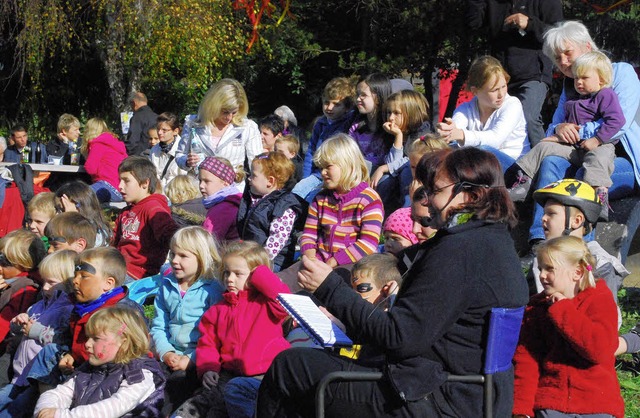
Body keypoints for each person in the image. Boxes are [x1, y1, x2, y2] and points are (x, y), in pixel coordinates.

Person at [257, 147, 529, 417]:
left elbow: (399, 338)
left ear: (471, 196)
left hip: (436, 397)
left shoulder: (461, 251)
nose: (429, 200)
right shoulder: (494, 241)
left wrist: (328, 287)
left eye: (436, 190)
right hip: (465, 392)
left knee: (289, 367)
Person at [525, 20, 640, 248]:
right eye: (557, 58)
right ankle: (540, 238)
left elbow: (619, 124)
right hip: (580, 154)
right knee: (550, 163)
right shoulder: (572, 87)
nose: (564, 62)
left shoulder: (621, 73)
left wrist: (575, 130)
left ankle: (582, 248)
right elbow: (552, 129)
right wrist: (559, 129)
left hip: (623, 161)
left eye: (567, 53)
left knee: (581, 178)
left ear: (587, 47)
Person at [173, 241, 290, 418]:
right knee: (207, 402)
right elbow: (208, 343)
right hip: (228, 374)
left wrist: (259, 272)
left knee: (241, 404)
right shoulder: (219, 309)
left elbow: (283, 299)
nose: (229, 279)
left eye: (238, 274)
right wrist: (208, 368)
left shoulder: (266, 303)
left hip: (264, 375)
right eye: (227, 272)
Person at [513, 236, 624, 418]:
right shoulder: (537, 308)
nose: (541, 275)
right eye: (541, 268)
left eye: (550, 269)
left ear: (577, 273)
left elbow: (599, 350)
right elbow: (526, 361)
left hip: (596, 403)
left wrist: (563, 309)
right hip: (551, 400)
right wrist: (521, 409)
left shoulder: (599, 299)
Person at [508, 51, 625, 217]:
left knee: (598, 160)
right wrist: (557, 135)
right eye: (576, 78)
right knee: (543, 146)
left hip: (599, 145)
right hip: (572, 148)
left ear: (602, 79)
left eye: (585, 78)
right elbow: (560, 125)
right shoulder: (572, 99)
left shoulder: (605, 95)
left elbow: (617, 120)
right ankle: (523, 182)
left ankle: (598, 196)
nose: (579, 82)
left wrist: (597, 139)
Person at [33, 306, 166, 417]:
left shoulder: (139, 373)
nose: (87, 344)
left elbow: (114, 407)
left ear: (123, 343)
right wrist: (45, 409)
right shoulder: (89, 369)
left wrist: (62, 416)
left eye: (96, 338)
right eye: (88, 337)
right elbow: (60, 393)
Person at [467, 0, 563, 147]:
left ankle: (543, 162)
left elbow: (558, 36)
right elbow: (473, 23)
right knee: (495, 120)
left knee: (528, 116)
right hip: (501, 75)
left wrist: (530, 24)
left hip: (534, 73)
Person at [150, 226, 223, 416]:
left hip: (196, 359)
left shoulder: (212, 290)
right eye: (173, 254)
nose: (174, 260)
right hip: (169, 353)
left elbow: (215, 336)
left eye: (183, 256)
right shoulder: (167, 286)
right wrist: (165, 351)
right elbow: (159, 325)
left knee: (177, 389)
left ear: (202, 258)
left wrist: (191, 359)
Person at [0, 250, 75, 416]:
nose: (45, 286)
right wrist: (18, 324)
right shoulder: (39, 305)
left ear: (69, 282)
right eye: (44, 280)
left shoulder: (68, 310)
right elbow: (19, 333)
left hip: (37, 380)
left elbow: (63, 341)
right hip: (19, 376)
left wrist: (37, 331)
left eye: (52, 282)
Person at [296, 133, 383, 273]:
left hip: (351, 267)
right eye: (321, 167)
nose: (323, 172)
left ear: (348, 165)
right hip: (318, 262)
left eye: (328, 167)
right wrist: (311, 259)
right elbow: (308, 234)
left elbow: (368, 244)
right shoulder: (320, 199)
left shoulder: (369, 200)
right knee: (284, 281)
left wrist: (334, 261)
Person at [436, 55, 530, 171]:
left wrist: (461, 135)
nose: (501, 94)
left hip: (514, 168)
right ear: (475, 91)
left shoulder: (512, 105)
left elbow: (495, 140)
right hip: (481, 165)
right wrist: (448, 131)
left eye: (504, 86)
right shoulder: (464, 109)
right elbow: (456, 128)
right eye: (494, 90)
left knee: (481, 152)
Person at [176, 79, 262, 179]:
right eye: (225, 112)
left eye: (234, 112)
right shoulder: (192, 123)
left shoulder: (248, 127)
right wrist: (187, 161)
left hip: (232, 189)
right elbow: (180, 154)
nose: (229, 117)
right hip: (200, 188)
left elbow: (257, 164)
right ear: (213, 106)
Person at [236, 152, 304, 272]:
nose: (249, 178)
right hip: (252, 255)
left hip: (272, 262)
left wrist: (262, 261)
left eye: (254, 175)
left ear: (270, 181)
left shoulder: (283, 206)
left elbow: (277, 238)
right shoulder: (254, 199)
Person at [114, 156, 178, 280]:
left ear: (145, 183)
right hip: (118, 267)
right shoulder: (125, 212)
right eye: (120, 180)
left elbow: (173, 236)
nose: (120, 186)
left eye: (126, 181)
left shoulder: (153, 208)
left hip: (138, 275)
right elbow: (114, 243)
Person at [292, 77, 356, 202]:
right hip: (317, 174)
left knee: (313, 199)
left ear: (347, 107)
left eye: (336, 104)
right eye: (326, 102)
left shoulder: (348, 123)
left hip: (335, 176)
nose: (329, 108)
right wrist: (306, 177)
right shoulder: (320, 123)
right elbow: (311, 151)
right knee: (297, 192)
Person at [373, 89, 433, 213]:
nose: (390, 118)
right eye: (389, 112)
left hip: (414, 178)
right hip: (397, 181)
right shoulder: (393, 132)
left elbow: (412, 160)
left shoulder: (423, 133)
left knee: (402, 173)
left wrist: (385, 167)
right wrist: (398, 137)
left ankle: (406, 212)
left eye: (396, 113)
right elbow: (393, 163)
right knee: (385, 179)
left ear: (411, 113)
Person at [0, 230, 47, 353]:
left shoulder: (25, 290)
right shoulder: (9, 282)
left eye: (4, 262)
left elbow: (3, 327)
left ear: (24, 264)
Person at [349, 73, 392, 174]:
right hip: (359, 172)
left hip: (383, 175)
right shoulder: (354, 126)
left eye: (363, 95)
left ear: (378, 97)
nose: (358, 99)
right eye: (358, 94)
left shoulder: (391, 126)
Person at [81, 117, 128, 203]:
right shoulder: (115, 144)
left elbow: (90, 168)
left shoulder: (98, 144)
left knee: (78, 197)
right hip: (122, 190)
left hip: (107, 186)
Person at [54, 181, 112, 246]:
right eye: (56, 210)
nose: (57, 215)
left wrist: (71, 218)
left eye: (62, 210)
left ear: (80, 208)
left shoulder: (97, 232)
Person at [199, 156, 243, 242]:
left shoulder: (222, 209)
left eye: (206, 181)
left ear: (225, 183)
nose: (201, 185)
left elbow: (208, 241)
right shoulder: (235, 201)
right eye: (200, 180)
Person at [149, 112, 187, 190]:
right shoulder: (154, 150)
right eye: (158, 129)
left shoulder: (184, 149)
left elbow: (184, 178)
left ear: (175, 131)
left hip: (178, 193)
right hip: (160, 193)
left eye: (164, 130)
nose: (159, 133)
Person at [125, 91, 158, 156]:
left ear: (134, 103)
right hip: (155, 155)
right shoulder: (156, 116)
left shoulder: (137, 117)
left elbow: (132, 142)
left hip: (139, 158)